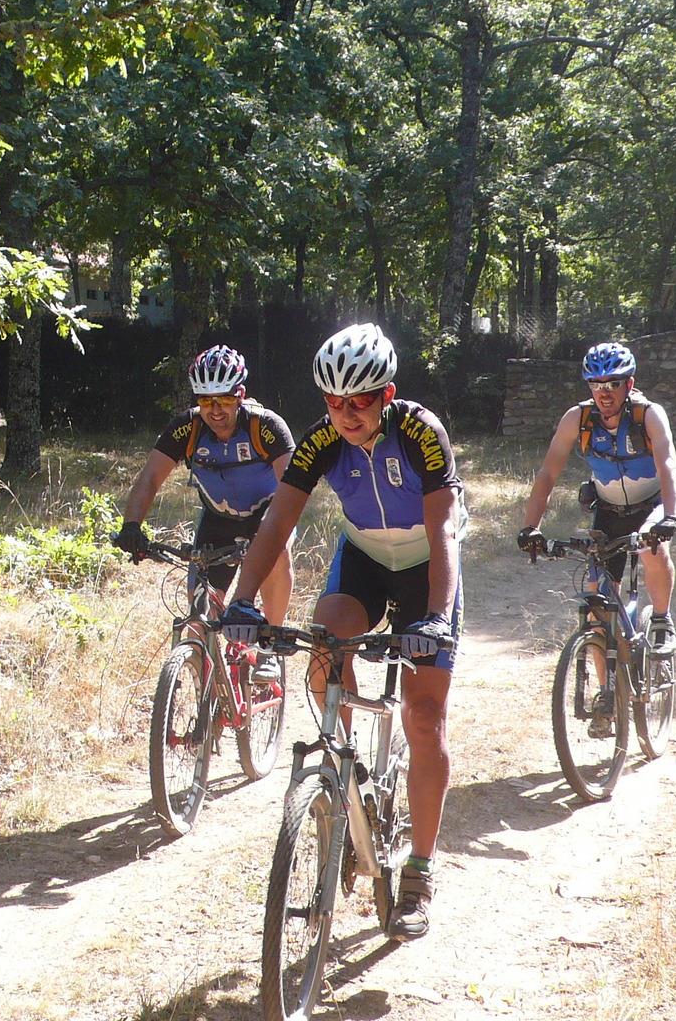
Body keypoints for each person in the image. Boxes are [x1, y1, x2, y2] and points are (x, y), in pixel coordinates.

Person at [221, 322, 464, 942]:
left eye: (359, 401)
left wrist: (436, 617)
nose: (346, 414)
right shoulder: (321, 440)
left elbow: (442, 529)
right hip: (364, 560)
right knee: (324, 646)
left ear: (387, 395)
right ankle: (343, 772)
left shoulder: (421, 432)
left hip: (426, 566)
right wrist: (241, 601)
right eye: (334, 402)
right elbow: (277, 523)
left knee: (424, 714)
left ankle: (419, 873)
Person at [516, 341, 676, 661]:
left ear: (629, 385)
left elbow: (667, 466)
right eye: (596, 384)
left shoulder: (649, 415)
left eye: (613, 384)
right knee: (596, 609)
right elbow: (548, 473)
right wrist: (530, 527)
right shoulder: (577, 419)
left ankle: (662, 619)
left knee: (653, 548)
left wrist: (671, 517)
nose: (604, 393)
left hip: (652, 504)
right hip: (608, 510)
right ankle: (607, 690)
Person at [113, 345, 295, 634]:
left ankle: (271, 642)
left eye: (224, 399)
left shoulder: (265, 426)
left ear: (240, 395)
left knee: (277, 550)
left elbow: (292, 486)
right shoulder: (187, 428)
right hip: (218, 521)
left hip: (267, 516)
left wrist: (271, 533)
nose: (216, 410)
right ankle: (201, 658)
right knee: (199, 623)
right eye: (206, 400)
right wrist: (131, 526)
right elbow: (150, 478)